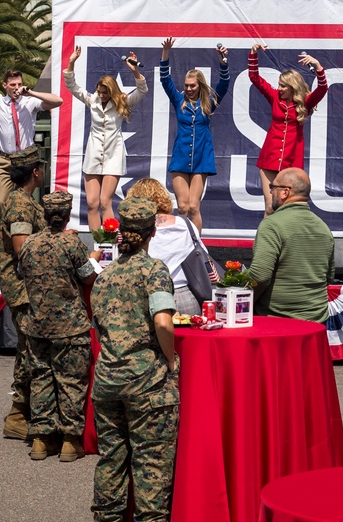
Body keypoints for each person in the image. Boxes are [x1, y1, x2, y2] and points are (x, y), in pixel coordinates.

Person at [90, 194, 179, 522]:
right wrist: (171, 359)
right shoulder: (154, 270)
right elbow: (162, 322)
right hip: (147, 382)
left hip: (108, 380)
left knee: (112, 458)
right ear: (150, 231)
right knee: (151, 460)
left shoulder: (105, 277)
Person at [17, 190, 95, 462]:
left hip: (37, 325)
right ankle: (70, 442)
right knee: (70, 381)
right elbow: (87, 278)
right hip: (70, 327)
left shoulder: (28, 244)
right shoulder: (73, 245)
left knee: (40, 379)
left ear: (46, 214)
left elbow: (21, 272)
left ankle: (40, 440)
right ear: (67, 215)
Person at [64, 48, 148, 231]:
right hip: (93, 155)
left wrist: (134, 70)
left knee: (104, 202)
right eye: (99, 92)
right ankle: (97, 245)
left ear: (112, 92)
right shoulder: (92, 100)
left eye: (105, 93)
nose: (101, 95)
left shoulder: (122, 102)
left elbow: (142, 90)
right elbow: (71, 85)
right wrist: (72, 62)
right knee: (92, 203)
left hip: (113, 155)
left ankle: (110, 244)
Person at [0, 146, 47, 441]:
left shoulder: (26, 201)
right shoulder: (19, 204)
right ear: (35, 173)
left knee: (30, 350)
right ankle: (18, 414)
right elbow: (22, 248)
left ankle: (22, 411)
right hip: (23, 289)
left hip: (29, 287)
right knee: (30, 352)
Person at [244, 168, 334, 324]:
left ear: (285, 192)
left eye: (273, 187)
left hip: (278, 323)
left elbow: (260, 276)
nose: (270, 192)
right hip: (317, 323)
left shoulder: (271, 225)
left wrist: (241, 300)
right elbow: (329, 276)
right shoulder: (324, 228)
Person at [159, 36, 230, 232]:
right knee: (182, 207)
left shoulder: (209, 102)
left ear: (200, 85)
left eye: (193, 86)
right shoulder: (178, 99)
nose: (189, 89)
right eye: (187, 85)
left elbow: (224, 83)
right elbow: (165, 80)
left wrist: (223, 61)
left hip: (201, 158)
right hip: (181, 156)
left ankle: (197, 249)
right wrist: (166, 53)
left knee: (193, 206)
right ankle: (180, 245)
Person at [248, 42, 328, 214]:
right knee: (270, 207)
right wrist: (254, 54)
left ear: (293, 88)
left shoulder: (305, 102)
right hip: (270, 157)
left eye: (284, 86)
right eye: (279, 85)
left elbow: (322, 89)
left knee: (285, 208)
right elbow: (255, 78)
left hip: (291, 160)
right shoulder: (275, 97)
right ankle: (266, 241)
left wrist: (318, 66)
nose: (280, 89)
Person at [0, 67, 62, 205]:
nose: (16, 88)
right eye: (12, 85)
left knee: (26, 202)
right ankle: (7, 226)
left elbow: (58, 101)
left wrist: (30, 92)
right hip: (6, 161)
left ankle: (26, 225)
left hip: (26, 159)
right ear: (5, 85)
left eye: (19, 84)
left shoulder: (30, 102)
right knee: (3, 201)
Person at [130, 177, 219, 316]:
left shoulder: (134, 228)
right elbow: (203, 257)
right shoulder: (185, 223)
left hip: (147, 297)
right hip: (185, 297)